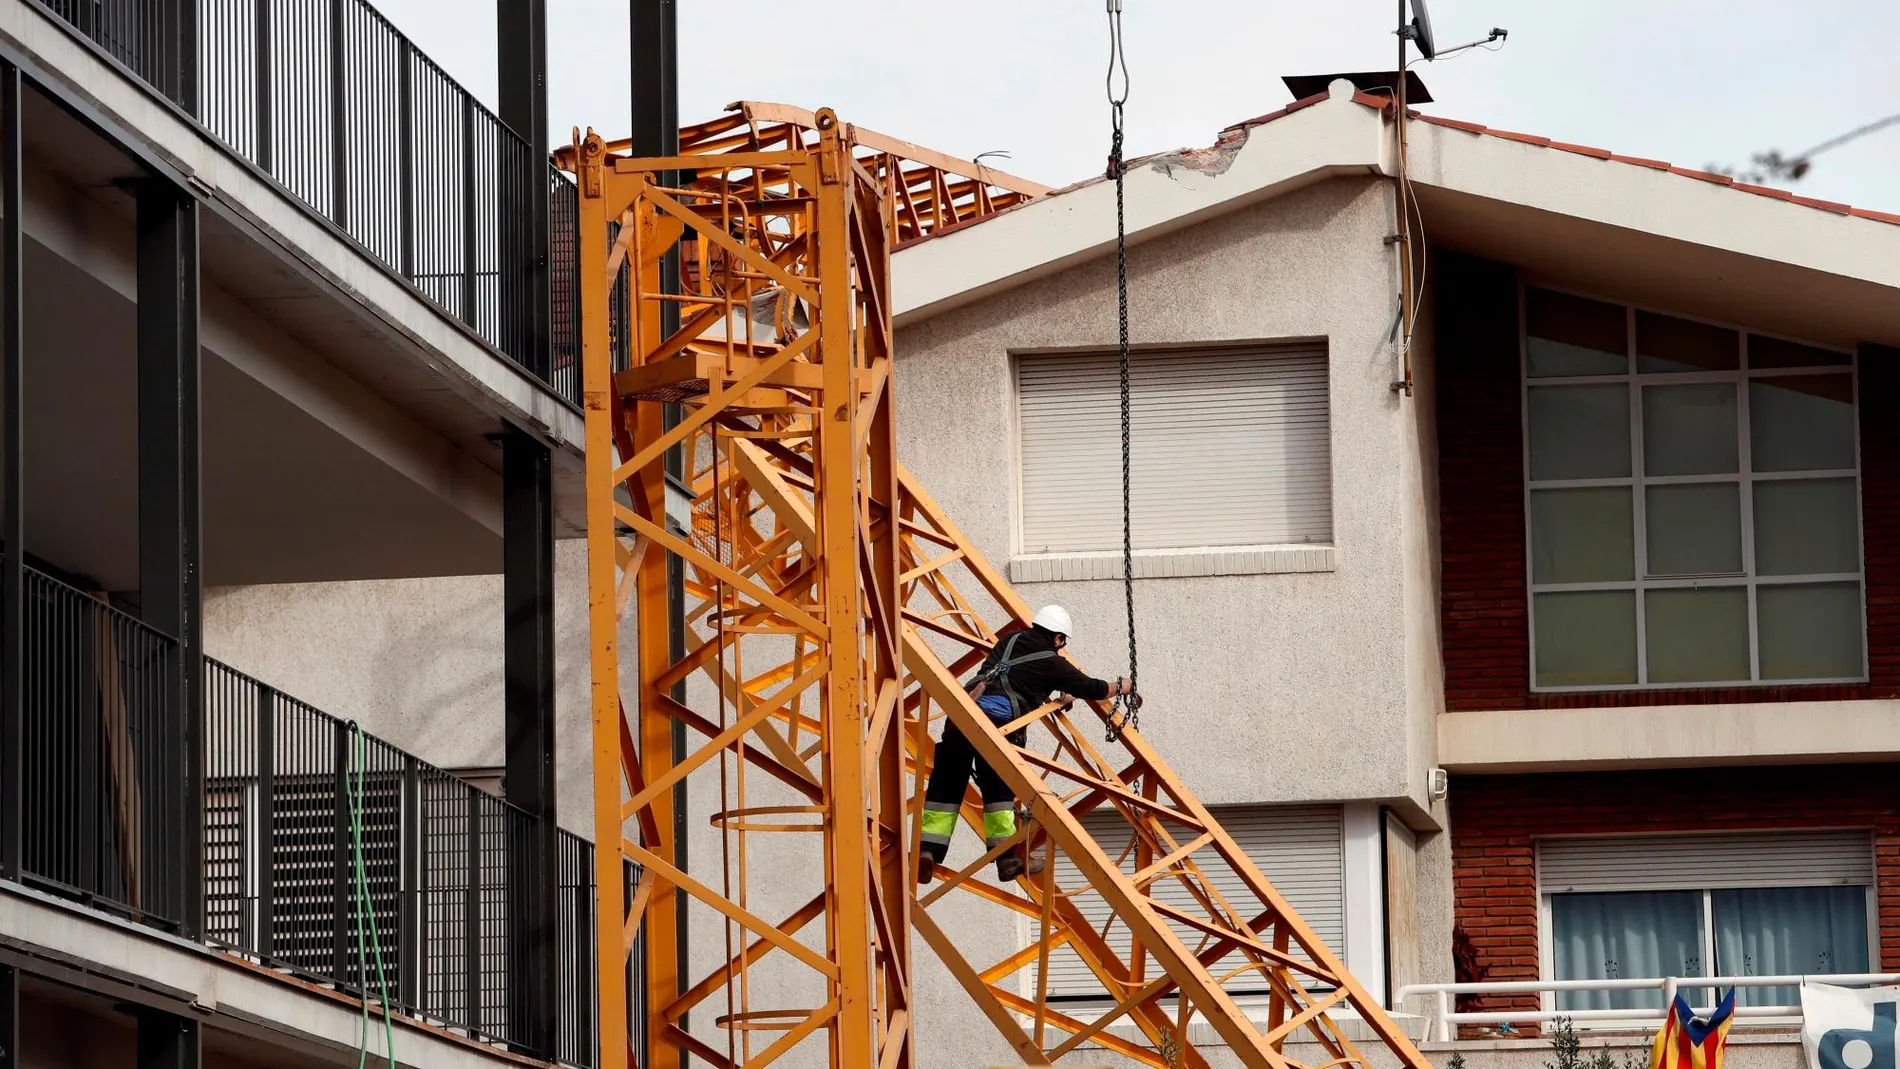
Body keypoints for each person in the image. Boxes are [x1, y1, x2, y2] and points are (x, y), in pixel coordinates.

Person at [917, 604, 1135, 883]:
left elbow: (1017, 676)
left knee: (945, 787)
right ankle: (1006, 859)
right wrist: (1122, 686)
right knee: (998, 794)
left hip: (963, 716)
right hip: (999, 728)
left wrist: (1058, 691)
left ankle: (928, 852)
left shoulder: (1011, 639)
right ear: (1058, 638)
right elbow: (1095, 688)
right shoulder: (1053, 663)